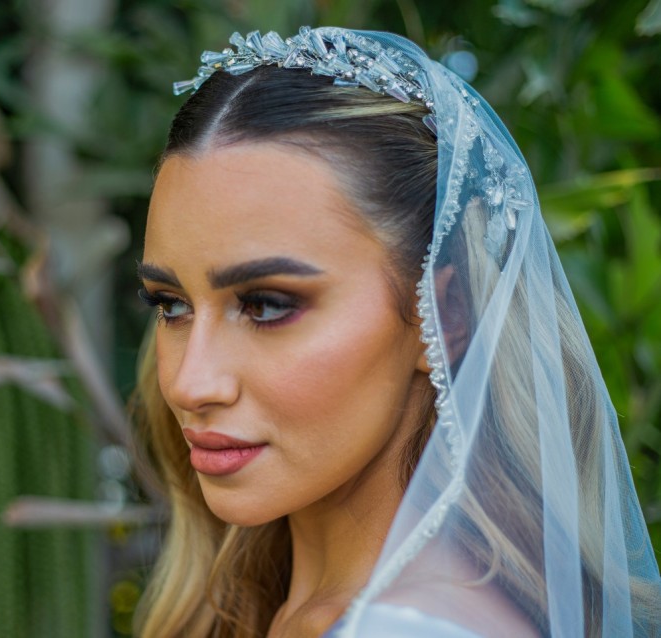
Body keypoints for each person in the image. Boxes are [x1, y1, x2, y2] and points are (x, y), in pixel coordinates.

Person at [130, 27, 661, 637]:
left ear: (446, 315)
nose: (191, 383)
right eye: (170, 305)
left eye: (269, 306)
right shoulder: (263, 611)